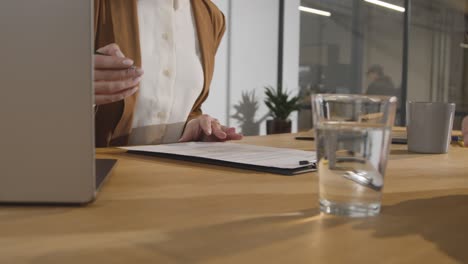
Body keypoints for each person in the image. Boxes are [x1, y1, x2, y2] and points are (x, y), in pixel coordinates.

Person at [93, 0, 242, 147]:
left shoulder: (211, 16)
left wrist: (194, 126)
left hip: (173, 169)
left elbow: (189, 107)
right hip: (93, 167)